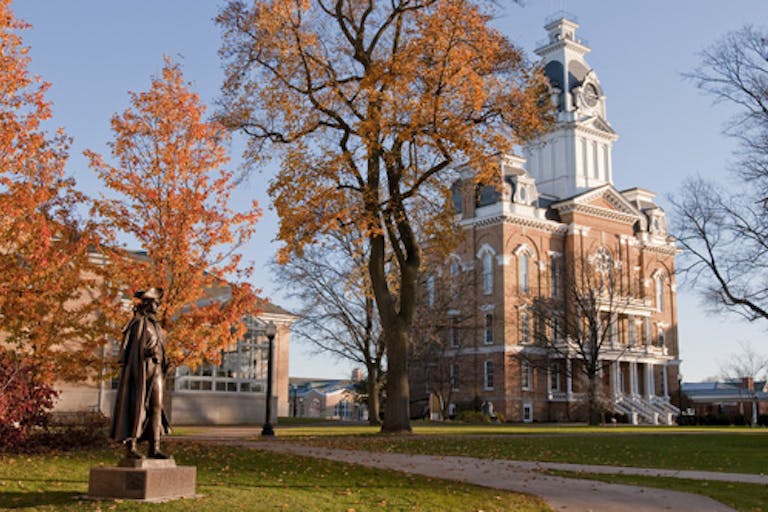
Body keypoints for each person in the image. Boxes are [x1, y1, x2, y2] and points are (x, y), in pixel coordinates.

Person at [109, 287, 171, 460]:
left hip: (156, 370)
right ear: (146, 304)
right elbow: (130, 351)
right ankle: (131, 446)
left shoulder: (156, 326)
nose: (157, 307)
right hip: (141, 369)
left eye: (158, 303)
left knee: (156, 406)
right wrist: (145, 355)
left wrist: (164, 359)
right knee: (136, 406)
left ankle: (155, 446)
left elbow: (160, 347)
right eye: (154, 303)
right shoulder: (138, 323)